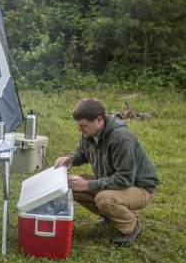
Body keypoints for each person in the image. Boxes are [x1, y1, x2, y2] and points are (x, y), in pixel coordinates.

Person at [54, 98, 159, 246]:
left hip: (139, 188)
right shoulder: (90, 133)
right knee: (71, 184)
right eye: (79, 125)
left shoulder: (121, 138)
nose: (80, 130)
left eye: (83, 126)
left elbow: (125, 179)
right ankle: (111, 217)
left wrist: (89, 185)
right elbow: (82, 152)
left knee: (104, 199)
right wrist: (70, 159)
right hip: (115, 184)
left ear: (99, 120)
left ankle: (131, 227)